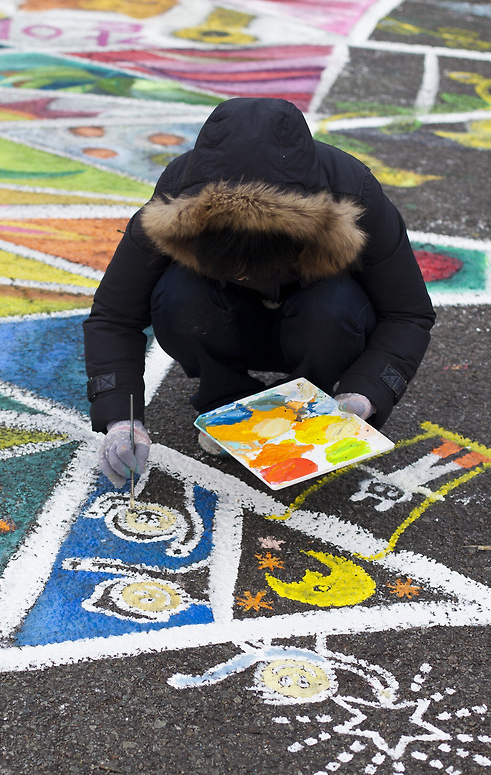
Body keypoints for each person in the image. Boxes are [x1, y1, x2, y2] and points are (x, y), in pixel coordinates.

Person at [84, 97, 436, 487]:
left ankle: (314, 407)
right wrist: (122, 419)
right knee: (178, 294)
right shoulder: (178, 198)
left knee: (335, 304)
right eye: (229, 257)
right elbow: (115, 315)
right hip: (225, 318)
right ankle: (226, 403)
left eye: (252, 256)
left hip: (318, 323)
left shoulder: (352, 194)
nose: (243, 270)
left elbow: (407, 313)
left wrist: (366, 392)